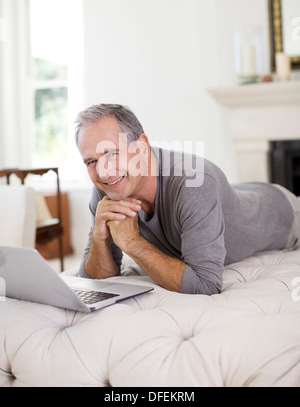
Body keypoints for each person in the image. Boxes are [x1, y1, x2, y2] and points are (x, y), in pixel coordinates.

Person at [75, 103, 300, 295]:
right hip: (231, 197)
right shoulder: (110, 186)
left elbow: (205, 285)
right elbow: (95, 276)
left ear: (141, 146)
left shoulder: (195, 181)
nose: (103, 172)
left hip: (283, 213)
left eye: (111, 153)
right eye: (91, 162)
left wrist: (133, 243)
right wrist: (99, 237)